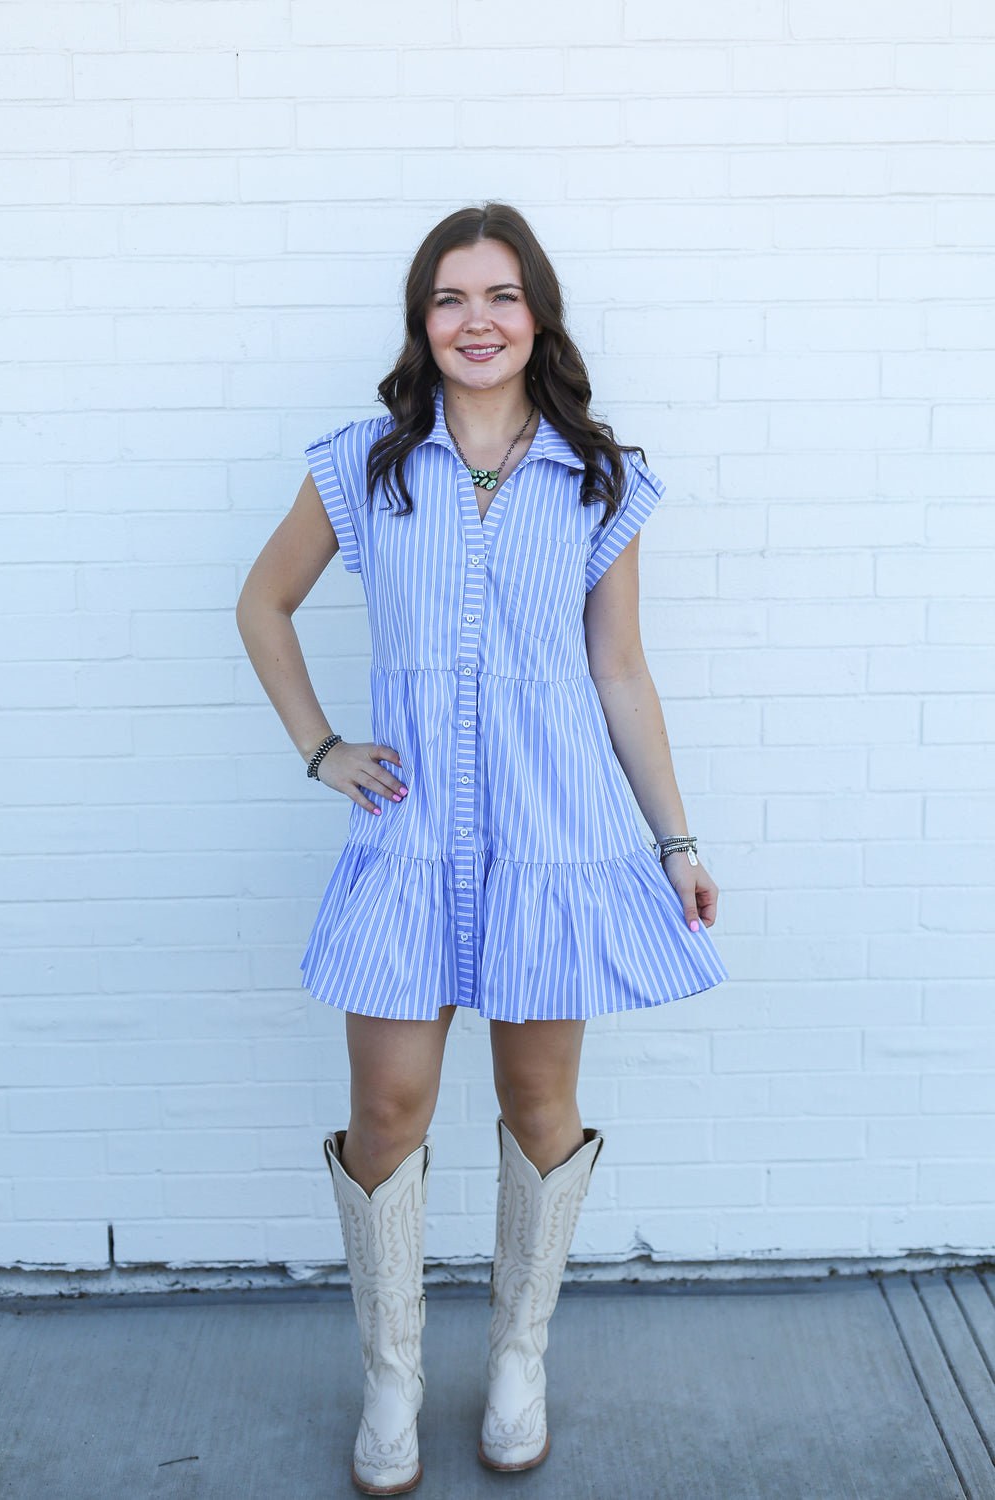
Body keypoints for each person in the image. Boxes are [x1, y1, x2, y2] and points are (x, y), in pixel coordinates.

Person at [236, 202, 728, 1496]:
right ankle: (392, 1381)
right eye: (451, 297)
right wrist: (322, 749)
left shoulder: (597, 477)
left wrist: (675, 841)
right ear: (423, 320)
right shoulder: (366, 465)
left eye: (501, 295)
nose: (476, 320)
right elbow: (263, 602)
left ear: (537, 315)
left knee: (538, 1104)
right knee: (386, 1109)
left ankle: (519, 1361)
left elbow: (620, 672)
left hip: (553, 840)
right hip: (409, 842)